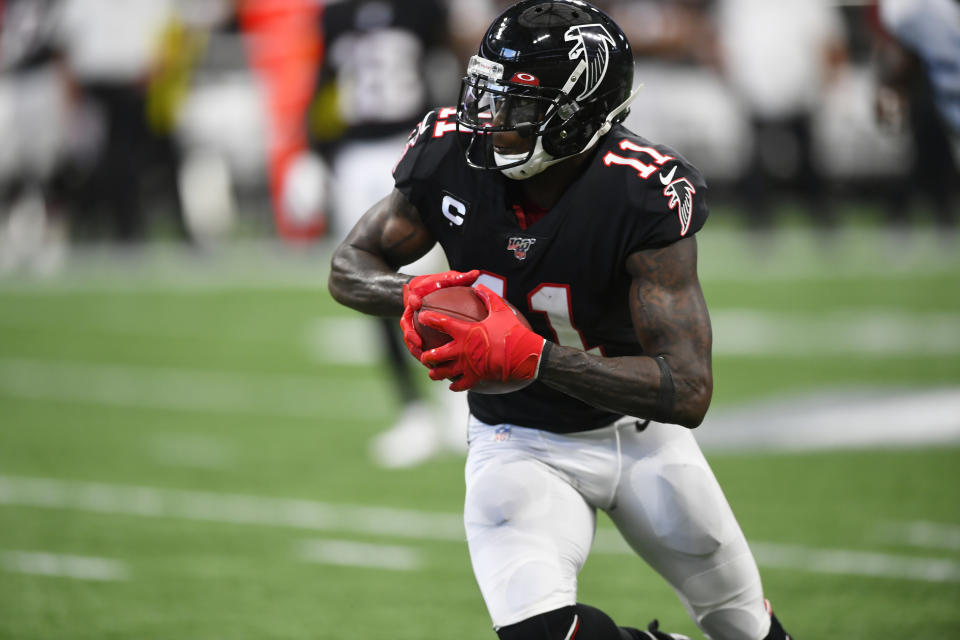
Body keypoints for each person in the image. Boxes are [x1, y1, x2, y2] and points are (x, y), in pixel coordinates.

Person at [328, 2, 793, 639]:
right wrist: (422, 294)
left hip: (639, 437)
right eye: (486, 95)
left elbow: (688, 390)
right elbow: (350, 266)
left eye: (516, 106)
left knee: (744, 629)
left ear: (576, 118)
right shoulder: (450, 154)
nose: (489, 122)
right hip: (515, 440)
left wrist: (535, 356)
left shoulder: (640, 192)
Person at [312, 0, 469, 468]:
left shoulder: (421, 9)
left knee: (438, 279)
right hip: (356, 156)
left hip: (412, 144)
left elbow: (457, 65)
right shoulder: (335, 14)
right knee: (371, 280)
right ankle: (412, 410)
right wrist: (314, 151)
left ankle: (460, 397)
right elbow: (325, 82)